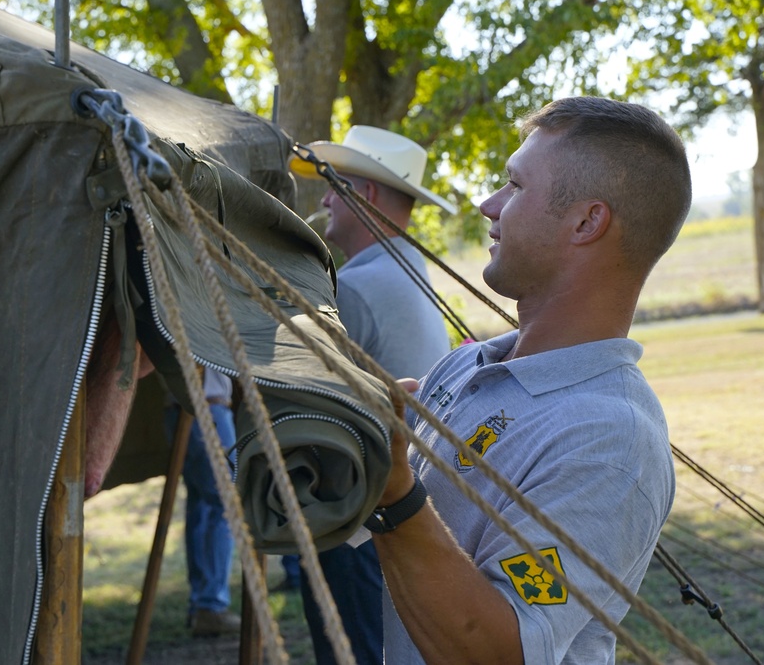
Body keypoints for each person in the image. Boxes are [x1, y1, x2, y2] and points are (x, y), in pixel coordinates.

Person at [370, 96, 690, 663]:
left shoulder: (611, 439)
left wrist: (394, 494)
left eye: (515, 187)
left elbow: (500, 652)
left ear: (587, 221)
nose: (489, 205)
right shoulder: (464, 366)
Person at [290, 125, 456, 664]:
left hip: (358, 517)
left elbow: (305, 404)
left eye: (336, 185)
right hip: (406, 504)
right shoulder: (409, 271)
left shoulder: (357, 287)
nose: (324, 198)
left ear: (369, 194)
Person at [166, 367, 241, 637]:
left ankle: (201, 604)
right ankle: (210, 605)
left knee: (201, 507)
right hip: (208, 410)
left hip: (181, 411)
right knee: (224, 506)